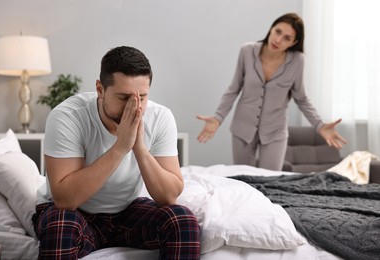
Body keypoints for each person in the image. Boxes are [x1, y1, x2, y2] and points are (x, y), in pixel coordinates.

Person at [32, 46, 201, 259]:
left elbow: (168, 196)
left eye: (143, 96)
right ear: (100, 89)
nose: (134, 106)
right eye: (124, 97)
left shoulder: (160, 117)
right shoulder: (68, 116)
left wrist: (138, 146)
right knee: (60, 224)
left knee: (182, 220)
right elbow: (65, 200)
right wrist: (121, 147)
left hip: (126, 212)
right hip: (74, 214)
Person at [197, 13, 347, 171]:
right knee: (243, 180)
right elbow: (234, 88)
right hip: (243, 127)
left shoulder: (297, 60)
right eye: (278, 31)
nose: (278, 40)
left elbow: (301, 98)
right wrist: (218, 118)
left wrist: (319, 125)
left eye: (287, 38)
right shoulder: (247, 51)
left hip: (275, 131)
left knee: (270, 180)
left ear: (294, 42)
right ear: (271, 29)